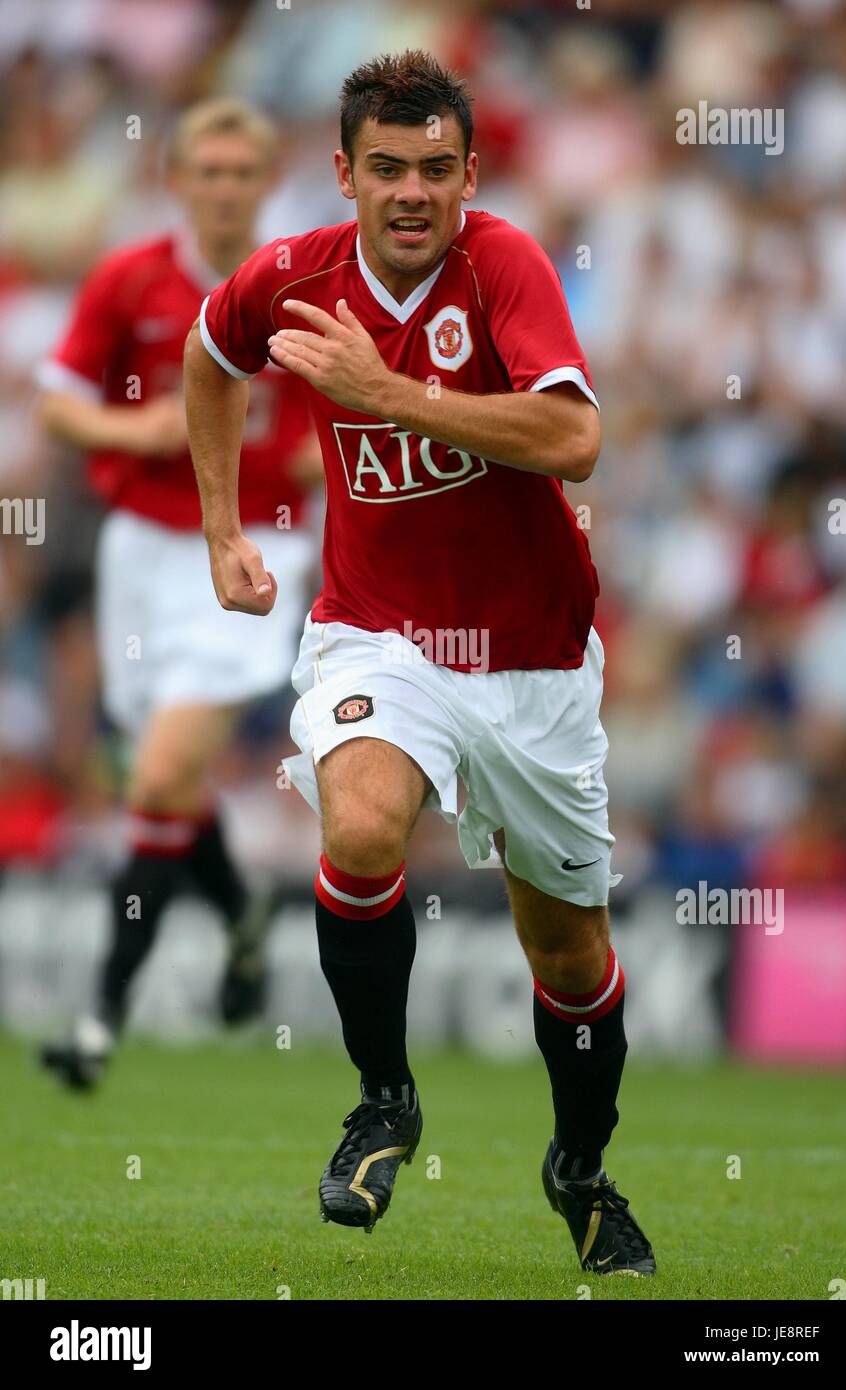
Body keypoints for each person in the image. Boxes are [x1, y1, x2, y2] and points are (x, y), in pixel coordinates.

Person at [184, 53, 655, 1277]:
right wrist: (224, 527)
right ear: (342, 172)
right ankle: (383, 1099)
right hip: (377, 635)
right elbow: (208, 353)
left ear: (468, 174)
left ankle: (581, 1168)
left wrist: (385, 391)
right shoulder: (291, 277)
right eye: (383, 169)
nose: (409, 193)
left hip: (534, 663)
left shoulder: (502, 265)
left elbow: (574, 438)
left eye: (433, 170)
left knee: (568, 956)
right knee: (360, 828)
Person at [37, 98, 321, 1089]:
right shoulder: (131, 279)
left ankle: (96, 1022)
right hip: (140, 555)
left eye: (246, 171)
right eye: (211, 170)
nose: (228, 188)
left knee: (156, 776)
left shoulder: (303, 287)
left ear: (269, 175)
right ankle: (242, 912)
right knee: (153, 777)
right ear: (179, 178)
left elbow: (348, 412)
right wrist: (139, 432)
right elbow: (57, 400)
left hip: (251, 549)